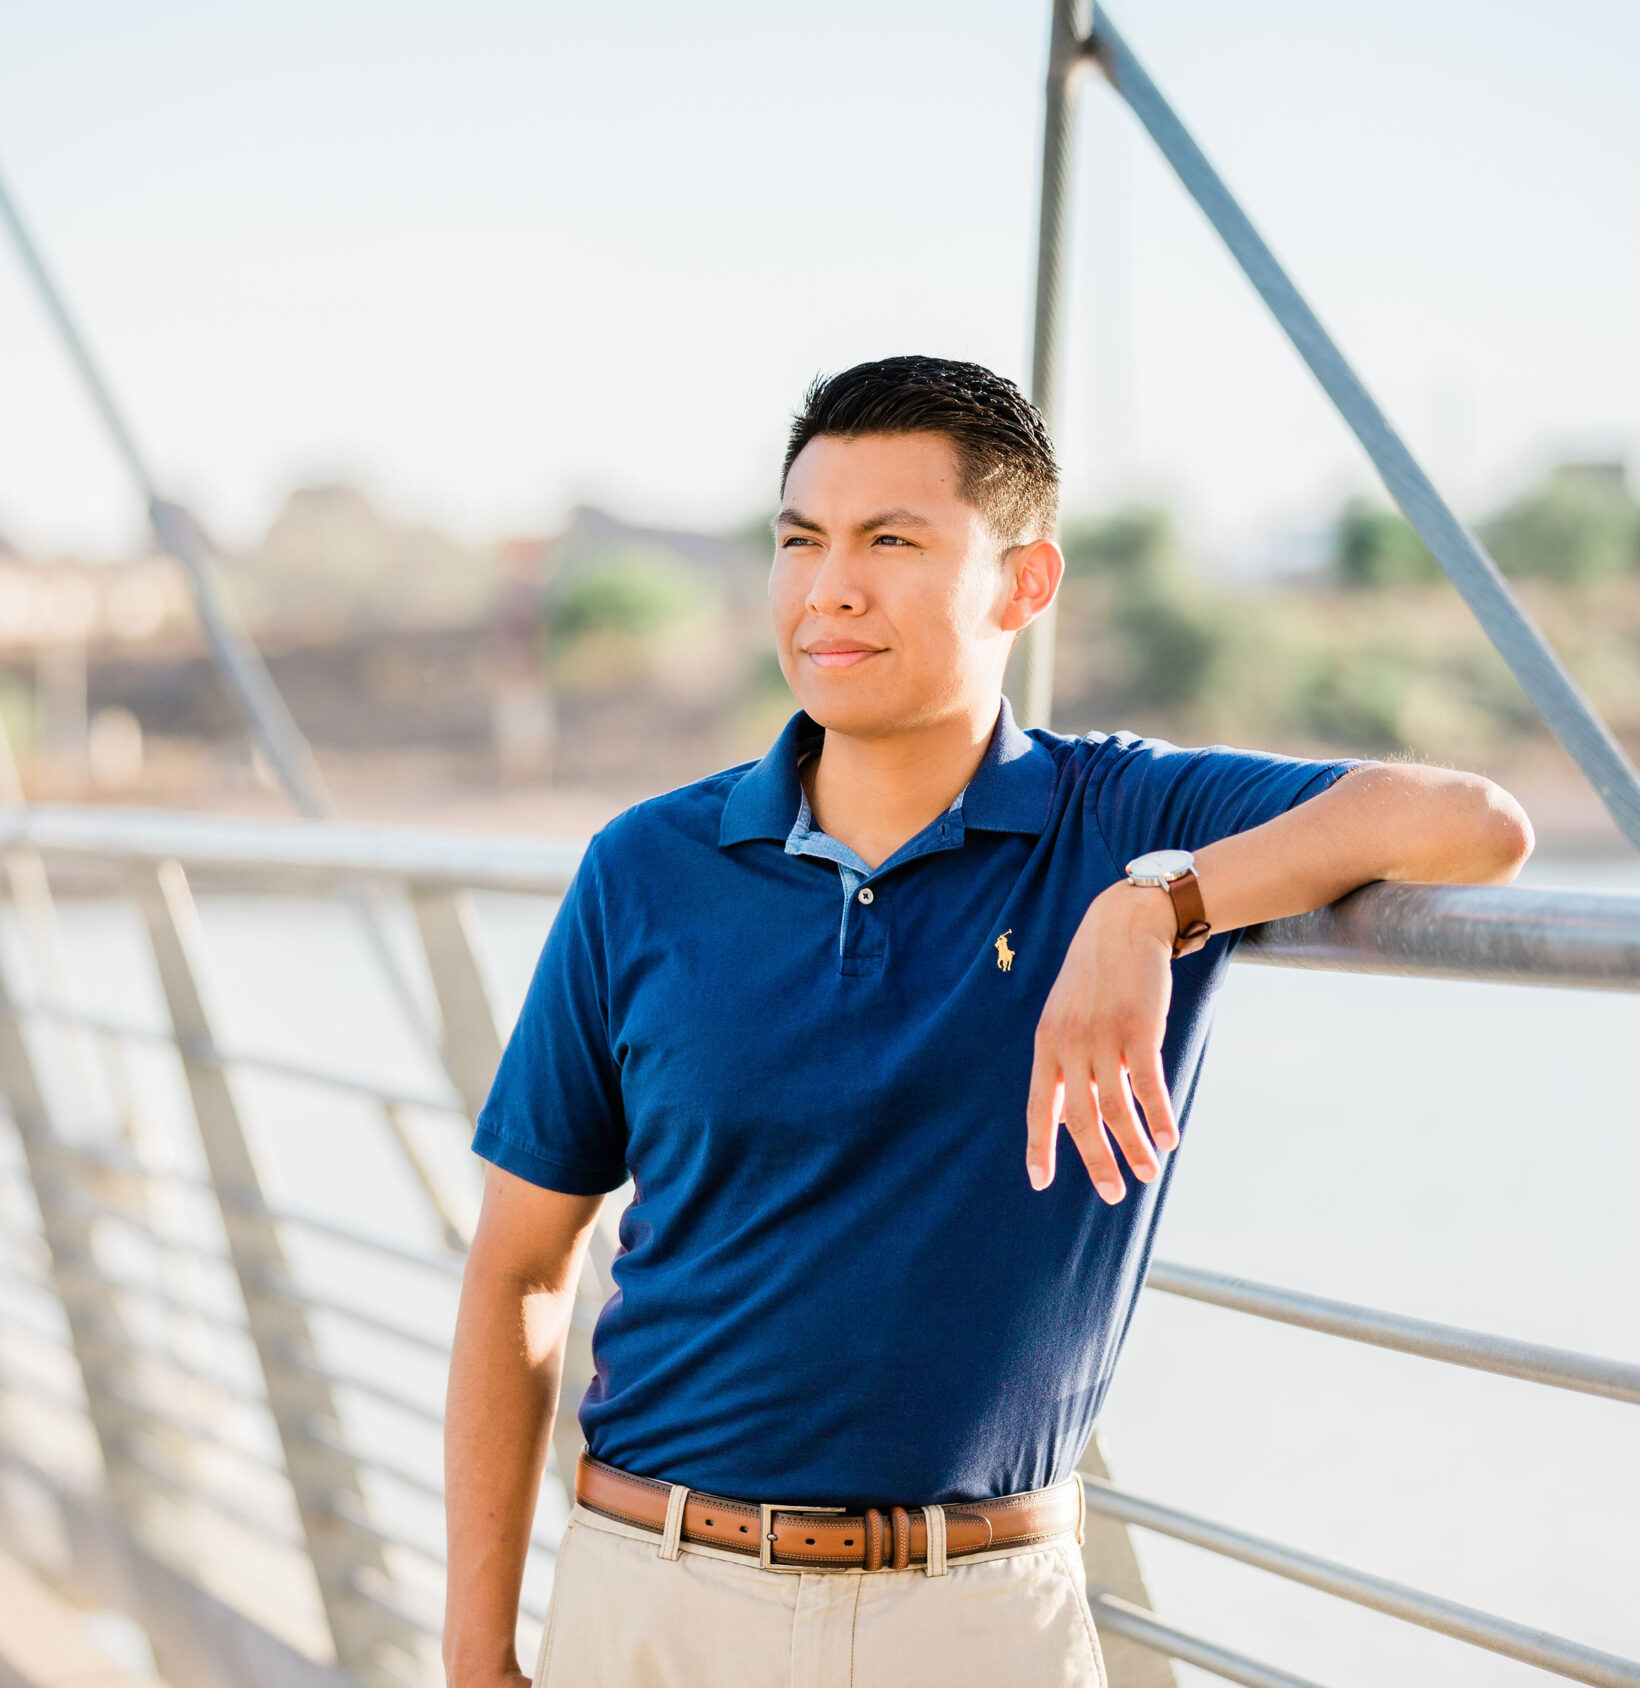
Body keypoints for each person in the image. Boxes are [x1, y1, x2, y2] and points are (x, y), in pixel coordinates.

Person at [443, 355, 1532, 1687]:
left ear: (1023, 583)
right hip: (655, 1603)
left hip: (975, 1622)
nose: (830, 586)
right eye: (802, 542)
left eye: (891, 541)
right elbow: (518, 1268)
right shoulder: (646, 866)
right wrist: (474, 1651)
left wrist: (1161, 906)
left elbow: (1471, 825)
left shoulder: (1122, 821)